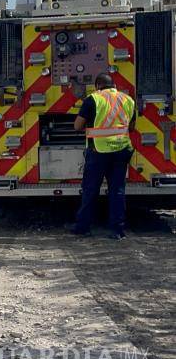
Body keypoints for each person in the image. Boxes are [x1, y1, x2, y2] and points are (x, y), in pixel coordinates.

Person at [70, 73, 136, 240]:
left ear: (97, 85)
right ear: (114, 85)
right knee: (117, 190)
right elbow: (131, 127)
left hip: (98, 151)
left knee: (90, 190)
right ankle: (117, 231)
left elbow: (77, 126)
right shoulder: (128, 99)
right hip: (121, 150)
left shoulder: (93, 99)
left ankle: (83, 228)